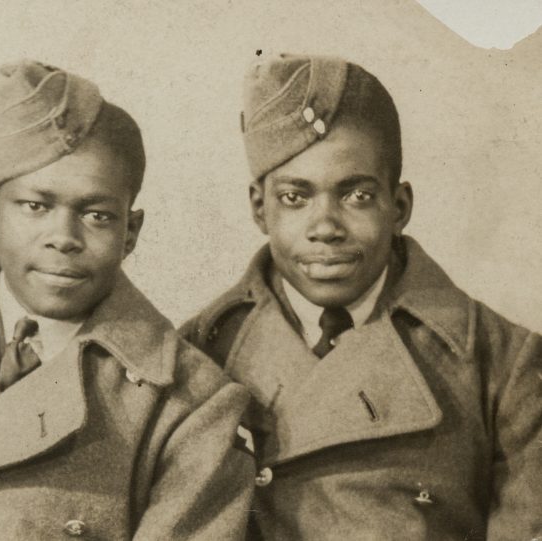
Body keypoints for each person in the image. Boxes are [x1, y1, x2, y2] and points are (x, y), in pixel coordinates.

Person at [0, 59, 256, 540]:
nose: (62, 237)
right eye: (36, 206)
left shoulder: (189, 406)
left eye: (97, 215)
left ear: (132, 231)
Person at [181, 54, 542, 539]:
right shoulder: (196, 356)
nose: (325, 227)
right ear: (259, 208)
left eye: (356, 196)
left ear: (400, 206)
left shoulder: (503, 366)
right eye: (295, 197)